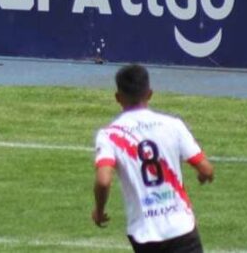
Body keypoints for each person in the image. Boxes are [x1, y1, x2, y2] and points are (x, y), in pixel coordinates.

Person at [91, 64, 215, 253]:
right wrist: (203, 176)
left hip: (145, 233)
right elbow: (206, 169)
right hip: (181, 227)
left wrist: (99, 211)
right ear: (149, 93)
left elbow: (103, 180)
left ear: (118, 97)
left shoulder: (110, 135)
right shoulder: (173, 125)